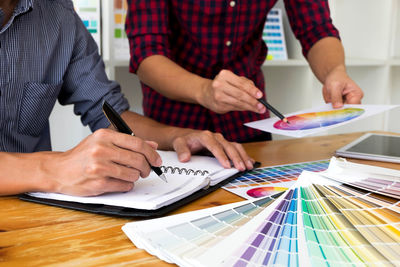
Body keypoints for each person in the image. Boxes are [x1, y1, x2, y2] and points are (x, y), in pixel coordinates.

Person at [0, 0, 254, 197]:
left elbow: (109, 112)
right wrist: (55, 168)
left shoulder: (58, 14)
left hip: (33, 212)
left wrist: (176, 136)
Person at [125, 0, 364, 143]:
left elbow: (316, 28)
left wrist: (334, 71)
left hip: (248, 125)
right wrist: (205, 91)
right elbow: (147, 54)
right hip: (174, 129)